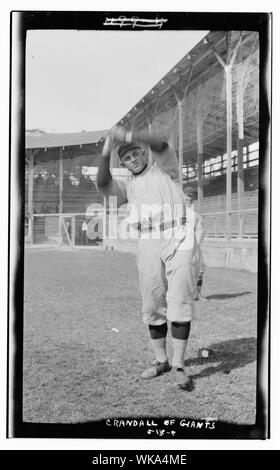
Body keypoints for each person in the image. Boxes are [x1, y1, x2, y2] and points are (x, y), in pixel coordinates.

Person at [97, 126, 198, 390]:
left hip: (178, 234)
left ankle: (178, 363)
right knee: (152, 301)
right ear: (124, 165)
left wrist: (128, 136)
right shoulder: (127, 187)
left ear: (144, 153)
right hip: (148, 239)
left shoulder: (166, 169)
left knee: (179, 297)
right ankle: (160, 360)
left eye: (136, 154)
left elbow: (161, 144)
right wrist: (106, 152)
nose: (133, 159)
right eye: (127, 159)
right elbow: (102, 183)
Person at [184, 188, 207, 301]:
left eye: (190, 199)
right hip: (180, 247)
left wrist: (196, 244)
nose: (188, 201)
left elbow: (200, 230)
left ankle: (197, 294)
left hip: (194, 246)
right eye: (186, 199)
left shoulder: (196, 215)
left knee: (200, 269)